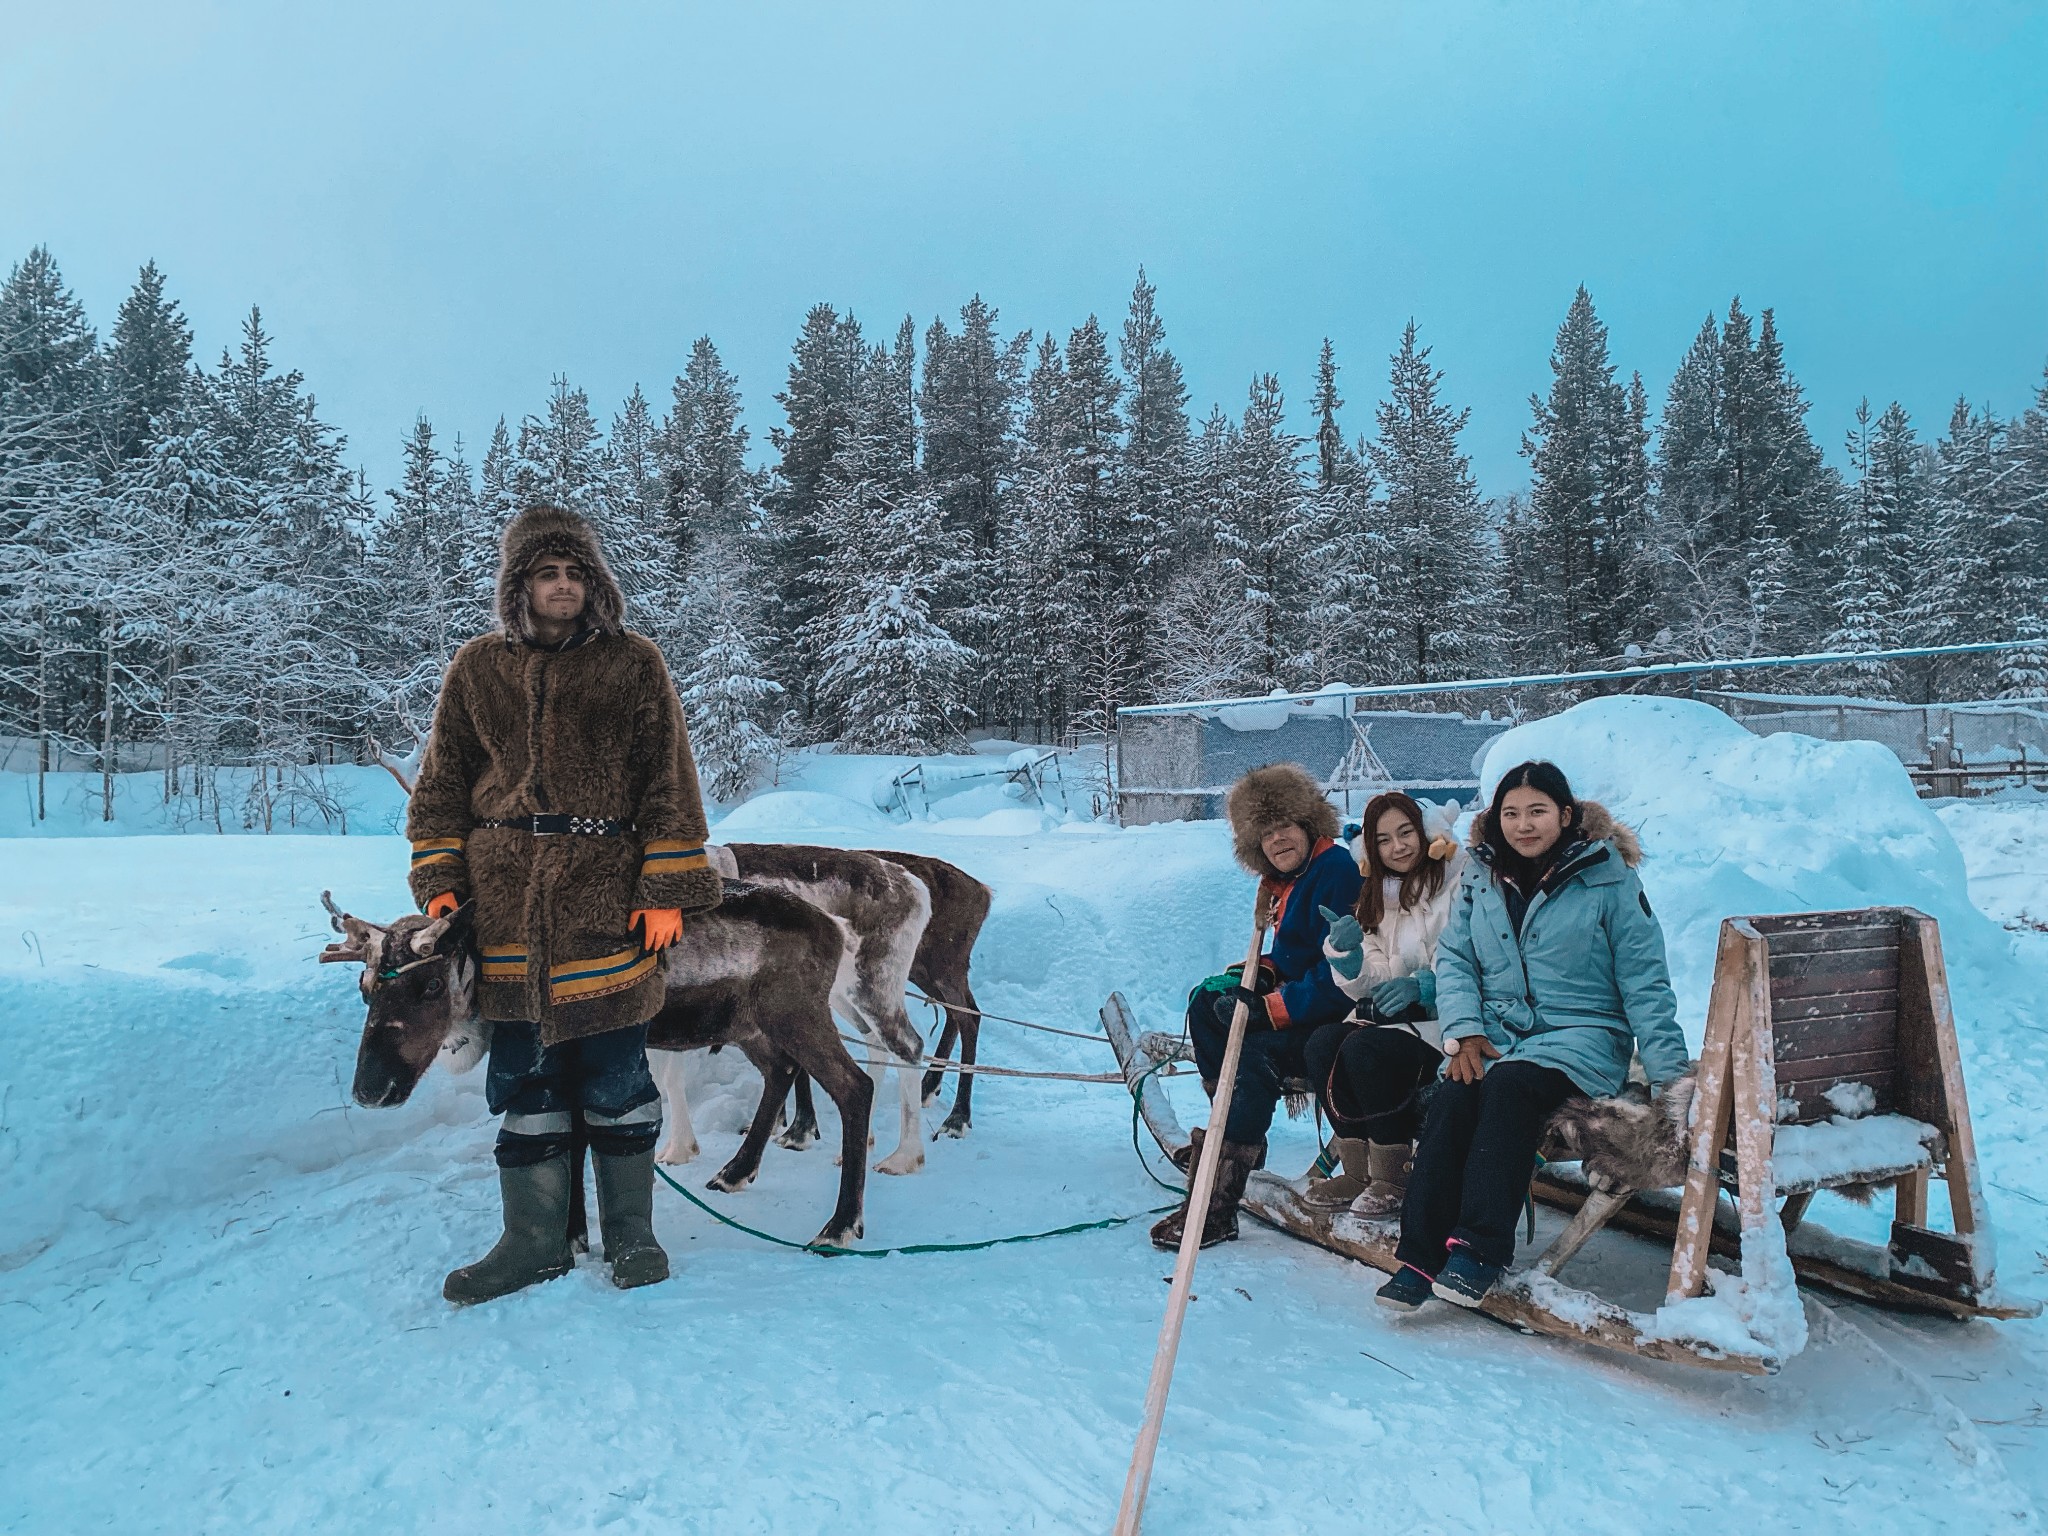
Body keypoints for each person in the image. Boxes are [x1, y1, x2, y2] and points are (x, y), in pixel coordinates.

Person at [407, 503, 723, 1305]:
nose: (563, 586)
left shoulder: (634, 664)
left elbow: (669, 782)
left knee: (617, 1078)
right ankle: (534, 1242)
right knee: (527, 1080)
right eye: (546, 573)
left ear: (596, 584)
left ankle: (631, 1236)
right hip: (504, 900)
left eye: (575, 573)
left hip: (606, 898)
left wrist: (668, 887)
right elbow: (442, 782)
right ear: (519, 585)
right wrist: (440, 876)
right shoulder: (477, 667)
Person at [1374, 760, 1688, 1313]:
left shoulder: (1609, 878)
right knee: (1454, 1095)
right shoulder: (1480, 875)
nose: (1524, 825)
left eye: (1537, 812)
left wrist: (1671, 1083)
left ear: (1565, 816)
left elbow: (1645, 982)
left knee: (1510, 1088)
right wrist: (1465, 1033)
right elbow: (1456, 960)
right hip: (1499, 1036)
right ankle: (1419, 1256)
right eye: (1512, 813)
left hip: (1582, 1038)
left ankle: (1479, 1249)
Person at [1150, 763, 1363, 1251]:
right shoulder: (1291, 878)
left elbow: (1341, 974)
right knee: (1205, 1003)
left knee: (1251, 1053)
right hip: (1299, 997)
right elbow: (1295, 953)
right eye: (1265, 835)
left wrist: (1269, 1008)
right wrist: (1262, 972)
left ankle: (1217, 1205)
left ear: (1308, 824)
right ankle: (1239, 1138)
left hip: (1334, 1017)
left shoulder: (1334, 871)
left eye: (1284, 827)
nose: (1278, 841)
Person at [1299, 791, 1464, 1215]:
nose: (1398, 847)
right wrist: (1350, 957)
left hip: (1449, 1027)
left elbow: (1475, 961)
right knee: (1322, 1044)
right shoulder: (1380, 898)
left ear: (1428, 832)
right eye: (1384, 840)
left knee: (1366, 1050)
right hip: (1400, 1025)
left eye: (1406, 833)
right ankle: (1357, 1171)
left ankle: (1393, 1175)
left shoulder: (1460, 884)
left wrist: (1426, 987)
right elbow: (1370, 982)